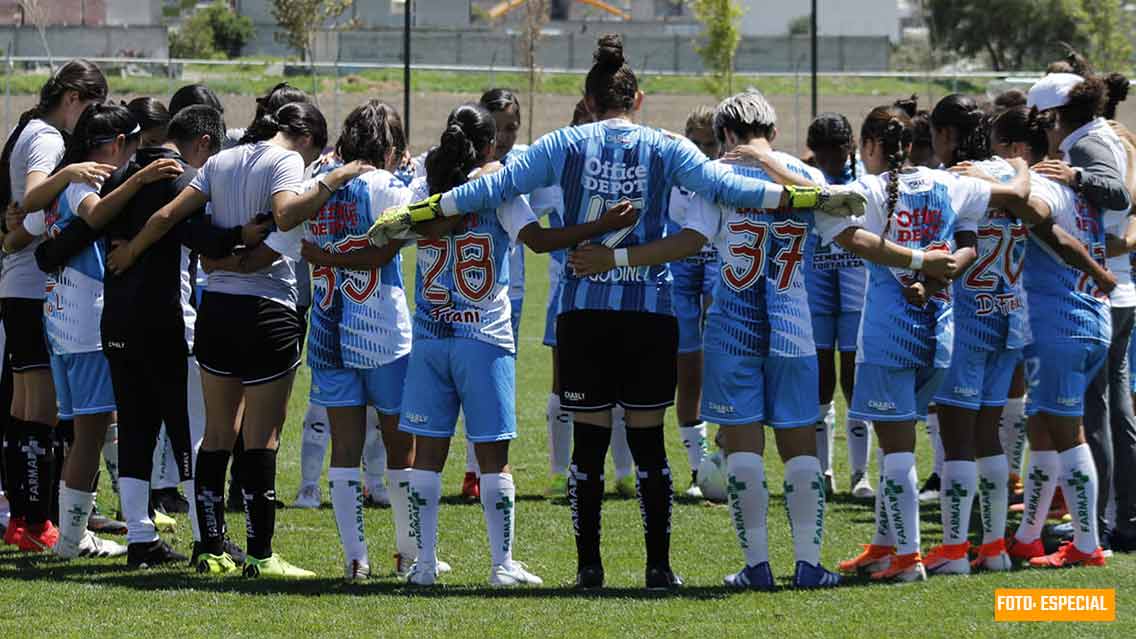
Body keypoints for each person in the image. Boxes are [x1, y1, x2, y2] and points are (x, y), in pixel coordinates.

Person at [367, 34, 865, 590]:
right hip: (649, 311)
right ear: (640, 98)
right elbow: (725, 185)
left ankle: (589, 569)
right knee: (650, 442)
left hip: (583, 313)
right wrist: (809, 197)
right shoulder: (666, 145)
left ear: (589, 97)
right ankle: (658, 568)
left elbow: (499, 183)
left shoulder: (565, 143)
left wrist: (425, 208)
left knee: (589, 446)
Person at [106, 101, 373, 578]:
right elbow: (287, 215)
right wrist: (334, 179)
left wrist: (131, 252)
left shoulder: (220, 160)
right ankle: (260, 555)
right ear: (307, 137)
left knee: (217, 435)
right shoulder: (288, 160)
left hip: (217, 312)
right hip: (268, 312)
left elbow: (168, 216)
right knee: (261, 439)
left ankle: (210, 549)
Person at [395, 103, 638, 587]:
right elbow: (540, 242)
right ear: (489, 146)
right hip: (484, 337)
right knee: (492, 458)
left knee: (427, 456)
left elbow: (411, 228)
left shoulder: (424, 186)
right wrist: (599, 225)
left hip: (431, 335)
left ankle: (423, 565)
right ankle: (501, 565)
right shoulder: (499, 189)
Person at [34, 105, 251, 567]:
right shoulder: (181, 179)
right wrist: (246, 233)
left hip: (115, 324)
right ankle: (207, 537)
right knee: (190, 435)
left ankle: (139, 537)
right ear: (202, 145)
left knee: (134, 432)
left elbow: (60, 242)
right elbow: (200, 235)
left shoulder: (110, 184)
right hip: (166, 322)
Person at [832, 104, 1031, 582]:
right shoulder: (948, 183)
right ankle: (885, 544)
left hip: (888, 336)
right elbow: (986, 227)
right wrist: (1024, 163)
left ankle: (908, 557)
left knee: (898, 447)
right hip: (942, 334)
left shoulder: (868, 189)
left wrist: (918, 262)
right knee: (902, 440)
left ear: (871, 147)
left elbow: (847, 236)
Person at [300, 99, 424, 581]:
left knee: (344, 449)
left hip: (328, 326)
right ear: (390, 147)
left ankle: (356, 558)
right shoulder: (388, 186)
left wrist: (323, 258)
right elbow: (384, 253)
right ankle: (408, 553)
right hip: (381, 330)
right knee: (400, 446)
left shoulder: (318, 178)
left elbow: (306, 236)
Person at [0, 59, 108, 552]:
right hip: (29, 284)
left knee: (26, 407)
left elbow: (20, 211)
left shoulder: (30, 129)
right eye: (90, 106)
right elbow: (35, 194)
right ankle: (36, 521)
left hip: (17, 282)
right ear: (72, 98)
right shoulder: (46, 136)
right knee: (40, 410)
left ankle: (23, 520)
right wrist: (70, 172)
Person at [920, 94, 1024, 574]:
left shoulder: (954, 178)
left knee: (958, 437)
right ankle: (995, 548)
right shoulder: (1008, 172)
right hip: (1008, 314)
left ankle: (955, 550)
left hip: (967, 319)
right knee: (990, 435)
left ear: (945, 134)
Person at [803, 112, 873, 499]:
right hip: (815, 286)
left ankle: (860, 474)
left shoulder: (864, 177)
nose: (829, 160)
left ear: (850, 147)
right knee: (820, 379)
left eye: (837, 151)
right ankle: (823, 470)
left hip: (855, 287)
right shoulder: (804, 176)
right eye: (821, 153)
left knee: (853, 378)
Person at [668, 106, 719, 498]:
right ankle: (698, 468)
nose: (703, 152)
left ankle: (725, 457)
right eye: (696, 144)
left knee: (725, 362)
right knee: (688, 370)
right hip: (680, 268)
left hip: (721, 263)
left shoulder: (727, 175)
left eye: (711, 144)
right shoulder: (671, 174)